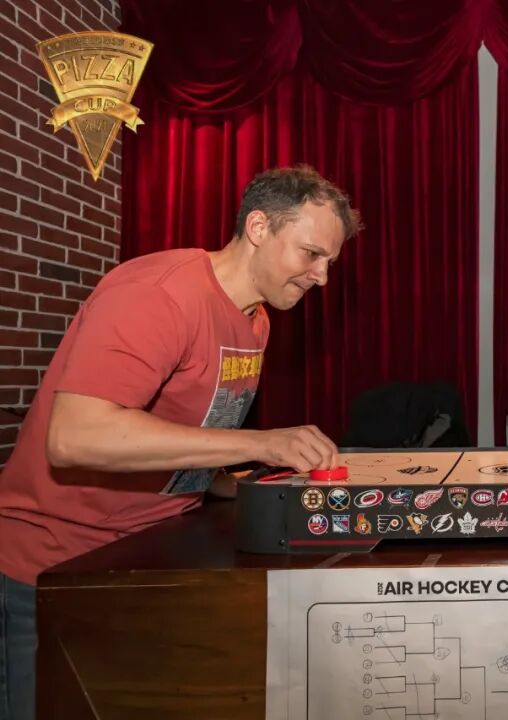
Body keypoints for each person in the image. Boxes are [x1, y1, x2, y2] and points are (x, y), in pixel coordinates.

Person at [0, 164, 361, 720]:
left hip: (143, 557)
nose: (322, 276)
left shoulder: (257, 320)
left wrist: (226, 485)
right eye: (312, 254)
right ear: (259, 227)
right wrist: (260, 444)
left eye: (329, 262)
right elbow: (75, 437)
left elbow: (184, 432)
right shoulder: (159, 294)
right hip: (52, 569)